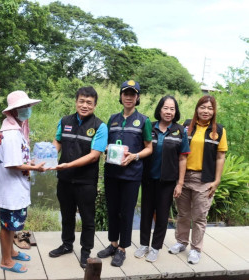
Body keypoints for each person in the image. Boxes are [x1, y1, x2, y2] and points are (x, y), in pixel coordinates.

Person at [48, 86, 108, 268]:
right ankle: (67, 245)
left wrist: (68, 165)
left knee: (88, 218)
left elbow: (94, 155)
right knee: (66, 215)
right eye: (81, 101)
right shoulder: (65, 120)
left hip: (86, 181)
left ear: (95, 105)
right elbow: (58, 140)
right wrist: (49, 155)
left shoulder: (100, 126)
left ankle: (85, 251)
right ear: (76, 102)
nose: (84, 105)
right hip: (64, 179)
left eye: (89, 103)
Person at [97, 80, 153, 267]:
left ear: (137, 97)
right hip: (111, 173)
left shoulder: (144, 120)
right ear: (121, 96)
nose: (129, 97)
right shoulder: (112, 119)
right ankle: (113, 244)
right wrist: (105, 149)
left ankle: (122, 249)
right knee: (112, 210)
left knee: (126, 212)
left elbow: (149, 148)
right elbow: (105, 143)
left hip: (131, 175)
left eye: (133, 94)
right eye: (125, 93)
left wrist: (135, 156)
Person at [168, 95, 228, 264]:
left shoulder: (219, 131)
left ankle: (196, 249)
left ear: (214, 111)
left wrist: (216, 181)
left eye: (210, 108)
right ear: (197, 108)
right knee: (183, 214)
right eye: (203, 107)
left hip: (205, 179)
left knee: (200, 216)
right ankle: (181, 242)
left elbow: (220, 157)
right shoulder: (187, 126)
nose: (206, 111)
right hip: (184, 176)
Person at [0, 90, 45, 274]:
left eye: (28, 106)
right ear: (13, 111)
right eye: (23, 107)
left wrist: (29, 162)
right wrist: (36, 168)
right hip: (10, 189)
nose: (27, 110)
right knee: (7, 227)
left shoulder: (16, 128)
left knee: (12, 224)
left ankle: (11, 252)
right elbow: (12, 163)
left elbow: (18, 158)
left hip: (15, 187)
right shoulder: (11, 133)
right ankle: (6, 260)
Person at [135, 96, 190, 262]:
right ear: (160, 109)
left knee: (162, 215)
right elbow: (142, 149)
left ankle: (155, 247)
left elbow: (182, 159)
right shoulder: (149, 127)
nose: (168, 111)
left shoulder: (180, 131)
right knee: (146, 213)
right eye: (165, 108)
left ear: (176, 111)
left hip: (167, 181)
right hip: (148, 179)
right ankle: (144, 244)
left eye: (172, 109)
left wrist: (180, 183)